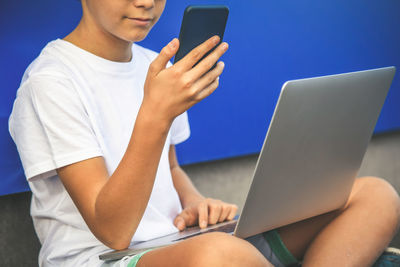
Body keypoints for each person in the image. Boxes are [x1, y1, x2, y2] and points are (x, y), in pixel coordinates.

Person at [8, 0, 400, 266]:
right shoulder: (52, 82)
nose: (147, 2)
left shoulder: (154, 64)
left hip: (177, 243)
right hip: (104, 257)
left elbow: (170, 168)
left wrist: (193, 201)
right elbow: (112, 231)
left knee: (375, 194)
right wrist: (154, 114)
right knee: (220, 255)